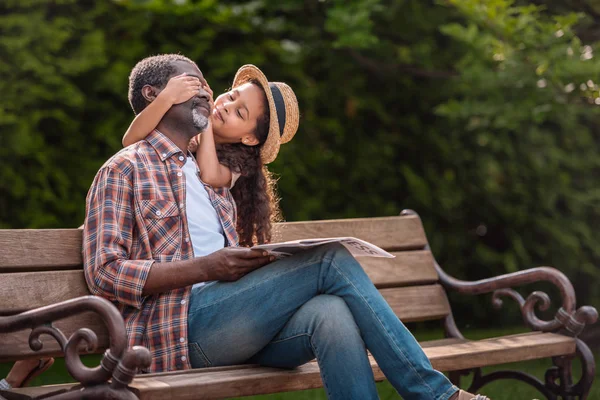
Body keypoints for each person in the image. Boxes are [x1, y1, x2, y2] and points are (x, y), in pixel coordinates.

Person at [82, 54, 488, 400]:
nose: (208, 94)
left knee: (329, 313)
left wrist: (248, 264)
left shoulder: (210, 178)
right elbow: (104, 272)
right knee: (329, 259)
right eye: (192, 85)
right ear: (156, 96)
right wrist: (206, 269)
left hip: (229, 321)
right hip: (177, 329)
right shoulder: (125, 169)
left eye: (207, 86)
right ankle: (435, 394)